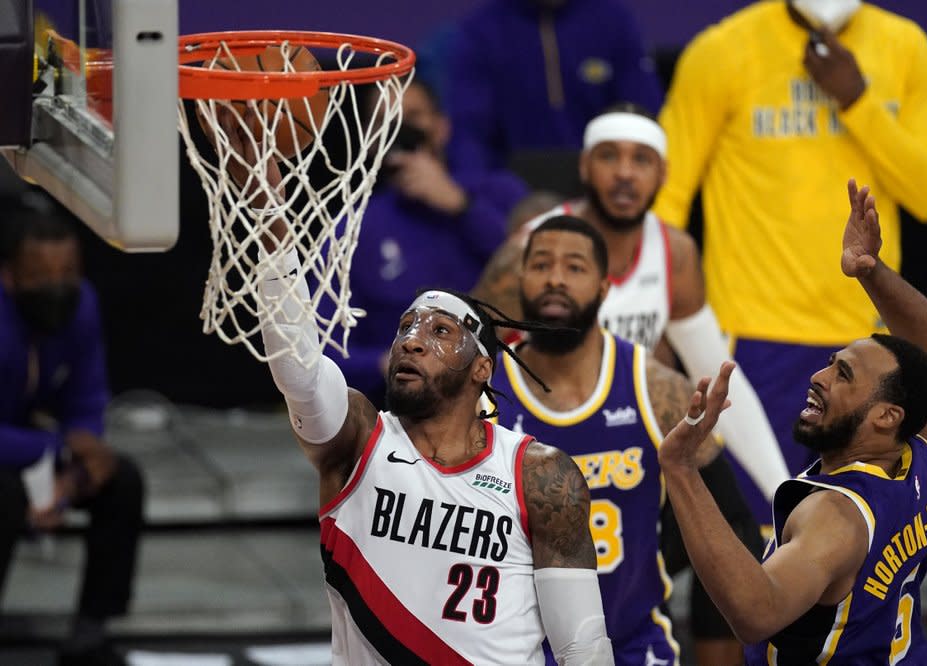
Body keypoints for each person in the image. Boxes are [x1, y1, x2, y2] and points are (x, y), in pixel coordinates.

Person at [217, 110, 615, 663]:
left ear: (483, 370)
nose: (412, 339)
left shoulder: (540, 474)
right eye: (406, 327)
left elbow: (582, 643)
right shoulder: (357, 440)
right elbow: (300, 368)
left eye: (440, 331)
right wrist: (269, 215)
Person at [472, 104, 786, 665]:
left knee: (735, 534)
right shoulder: (534, 248)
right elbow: (469, 354)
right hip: (540, 438)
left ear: (662, 175)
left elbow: (717, 381)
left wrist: (784, 490)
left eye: (641, 161)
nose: (625, 173)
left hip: (634, 442)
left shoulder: (675, 252)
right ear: (586, 168)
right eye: (610, 158)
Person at [652, 0, 927, 527]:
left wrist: (858, 99)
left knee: (863, 528)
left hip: (869, 339)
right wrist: (661, 324)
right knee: (761, 534)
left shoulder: (904, 46)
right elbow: (666, 205)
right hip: (753, 336)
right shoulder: (722, 49)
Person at [657, 179, 927, 664]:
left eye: (842, 374)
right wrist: (871, 272)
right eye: (831, 361)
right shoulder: (922, 456)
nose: (819, 376)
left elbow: (756, 612)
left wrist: (680, 468)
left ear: (887, 416)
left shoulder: (834, 519)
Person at [489, 214, 729, 664]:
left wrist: (645, 564)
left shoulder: (656, 388)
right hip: (513, 650)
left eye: (575, 267)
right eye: (541, 264)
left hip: (634, 645)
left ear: (603, 287)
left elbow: (727, 523)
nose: (556, 278)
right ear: (520, 278)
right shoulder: (485, 391)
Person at [315, 77, 531, 406]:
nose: (401, 128)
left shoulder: (501, 193)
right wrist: (391, 361)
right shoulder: (352, 229)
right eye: (385, 121)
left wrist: (462, 206)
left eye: (413, 116)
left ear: (441, 127)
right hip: (404, 409)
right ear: (371, 140)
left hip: (508, 394)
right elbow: (322, 354)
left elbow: (538, 273)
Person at [0, 191, 145, 666]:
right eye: (42, 277)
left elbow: (87, 398)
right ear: (10, 276)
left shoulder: (81, 305)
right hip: (16, 448)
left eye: (68, 274)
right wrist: (60, 447)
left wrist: (74, 472)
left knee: (121, 480)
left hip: (36, 447)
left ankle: (90, 633)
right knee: (5, 497)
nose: (58, 286)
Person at [441, 0, 664, 174]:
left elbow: (644, 118)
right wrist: (485, 200)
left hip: (603, 187)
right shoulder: (480, 31)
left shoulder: (615, 21)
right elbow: (468, 135)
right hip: (511, 196)